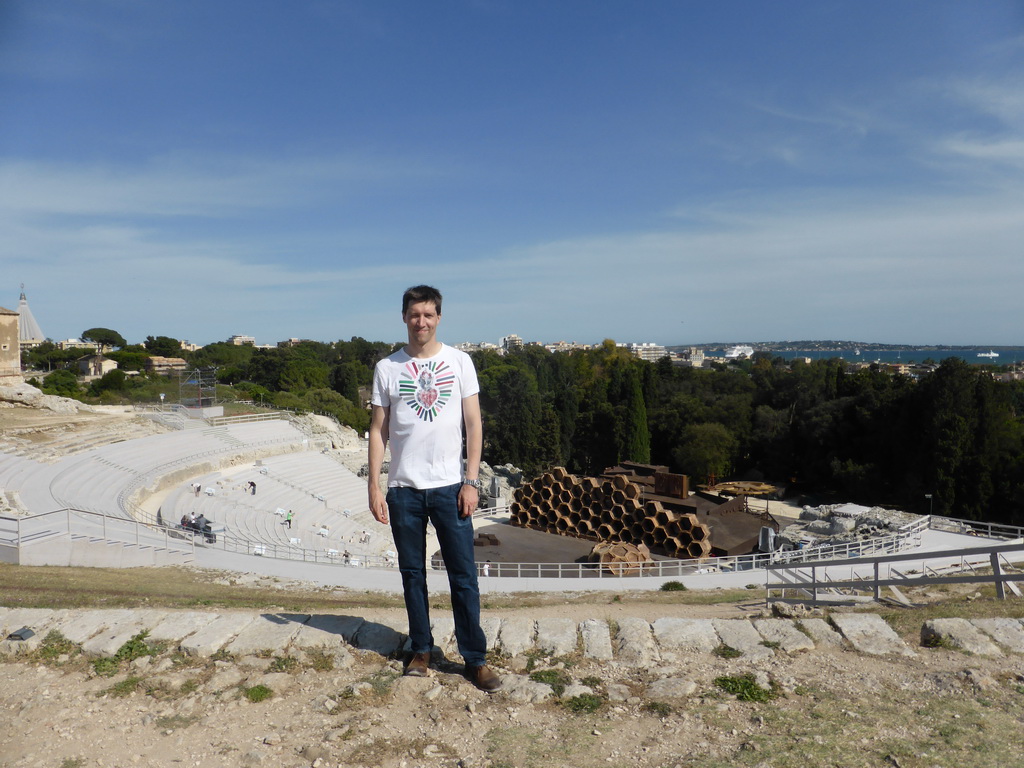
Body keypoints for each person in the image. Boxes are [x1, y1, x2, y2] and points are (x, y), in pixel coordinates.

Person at [368, 284, 501, 692]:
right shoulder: (387, 368)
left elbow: (474, 423)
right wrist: (374, 484)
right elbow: (377, 430)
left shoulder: (460, 362)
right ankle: (421, 650)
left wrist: (472, 480)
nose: (421, 322)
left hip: (450, 488)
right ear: (404, 317)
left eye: (428, 315)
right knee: (412, 575)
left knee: (463, 576)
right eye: (414, 315)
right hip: (404, 488)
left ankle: (474, 659)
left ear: (438, 317)